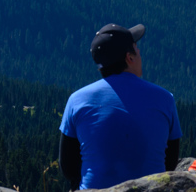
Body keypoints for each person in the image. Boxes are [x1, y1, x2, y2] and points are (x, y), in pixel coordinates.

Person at [59, 23, 182, 190]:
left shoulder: (77, 100)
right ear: (129, 58)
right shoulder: (165, 98)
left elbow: (68, 168)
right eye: (136, 47)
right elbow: (170, 162)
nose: (139, 52)